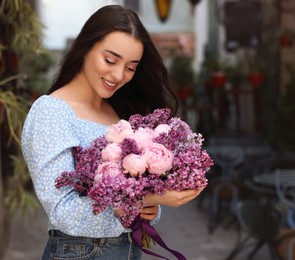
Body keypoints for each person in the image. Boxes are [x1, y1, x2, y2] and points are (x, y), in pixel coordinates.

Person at [21, 5, 203, 260]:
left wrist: (150, 203)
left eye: (130, 67)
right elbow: (62, 211)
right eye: (110, 60)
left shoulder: (118, 114)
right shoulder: (51, 112)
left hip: (127, 249)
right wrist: (146, 197)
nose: (118, 75)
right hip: (79, 253)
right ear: (85, 48)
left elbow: (139, 194)